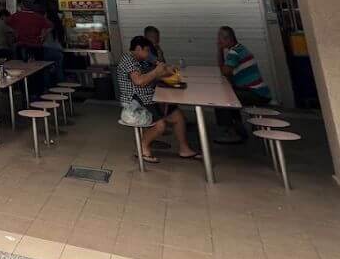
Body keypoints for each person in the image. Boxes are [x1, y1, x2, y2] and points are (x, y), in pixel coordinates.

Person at [115, 35, 201, 163]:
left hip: (152, 98)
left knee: (178, 117)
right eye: (147, 50)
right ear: (138, 48)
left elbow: (158, 69)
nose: (149, 53)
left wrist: (167, 69)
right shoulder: (128, 60)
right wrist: (156, 72)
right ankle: (143, 148)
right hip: (137, 102)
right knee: (160, 126)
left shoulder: (143, 59)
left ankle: (184, 149)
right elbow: (139, 81)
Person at [215, 25, 272, 143]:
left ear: (227, 39)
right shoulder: (240, 48)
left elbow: (225, 72)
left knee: (221, 99)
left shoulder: (235, 52)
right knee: (230, 96)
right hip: (257, 91)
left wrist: (219, 50)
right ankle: (238, 129)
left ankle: (233, 132)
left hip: (255, 93)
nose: (218, 41)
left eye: (219, 38)